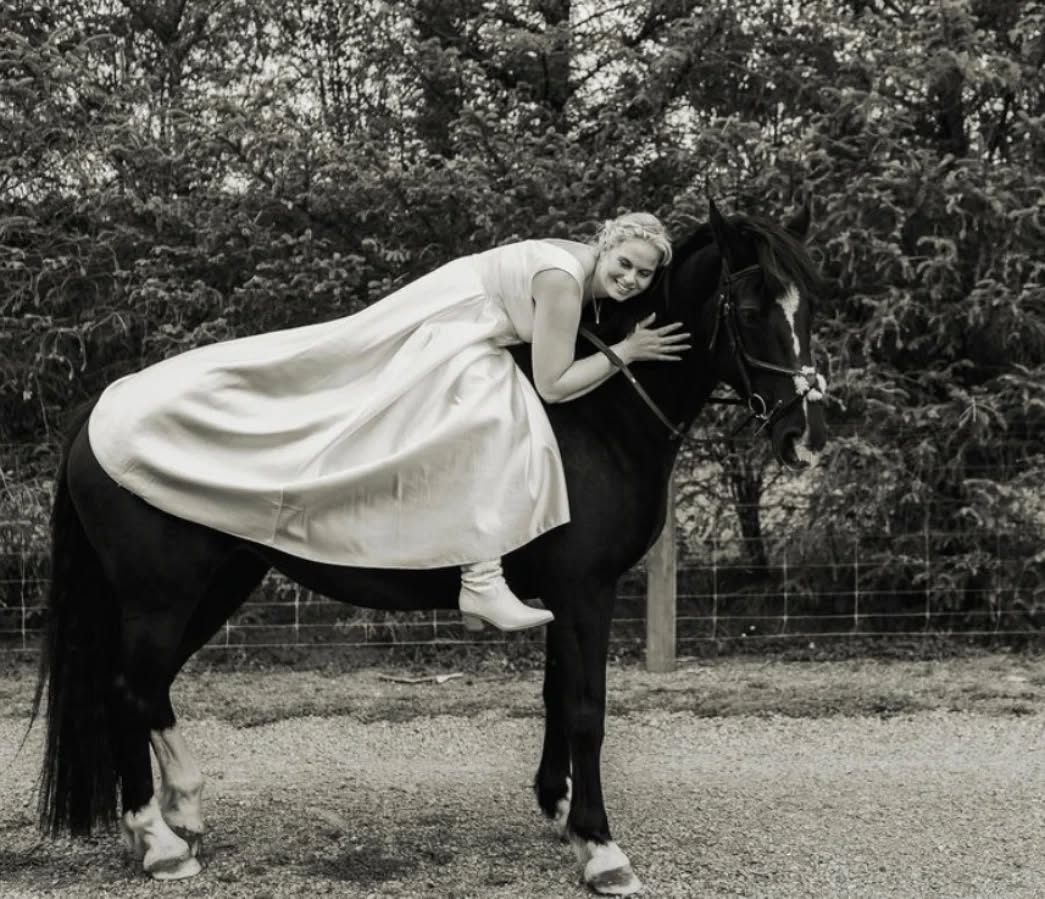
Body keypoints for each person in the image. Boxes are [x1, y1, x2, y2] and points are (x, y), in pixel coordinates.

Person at [87, 212, 691, 633]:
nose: (631, 280)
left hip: (465, 314)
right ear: (605, 244)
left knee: (486, 410)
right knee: (491, 417)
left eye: (643, 276)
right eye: (626, 264)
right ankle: (481, 576)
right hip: (456, 322)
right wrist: (627, 352)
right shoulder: (564, 282)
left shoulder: (580, 267)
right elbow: (554, 385)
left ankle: (479, 570)